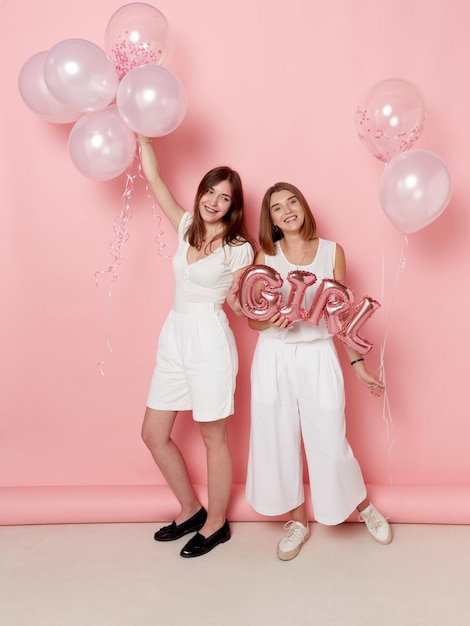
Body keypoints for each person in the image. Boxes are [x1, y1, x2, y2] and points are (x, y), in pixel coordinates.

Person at [244, 182, 392, 561]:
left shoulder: (332, 251)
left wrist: (358, 364)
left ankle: (361, 505)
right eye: (277, 208)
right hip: (274, 355)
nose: (287, 210)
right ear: (272, 220)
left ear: (304, 207)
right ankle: (296, 521)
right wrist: (270, 322)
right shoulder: (266, 256)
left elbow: (339, 315)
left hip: (318, 353)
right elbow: (254, 323)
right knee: (276, 435)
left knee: (329, 433)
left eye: (292, 202)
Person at [138, 135, 255, 558]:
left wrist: (267, 314)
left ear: (233, 206)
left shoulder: (239, 249)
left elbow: (242, 304)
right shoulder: (187, 225)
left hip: (210, 339)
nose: (214, 201)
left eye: (224, 198)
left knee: (213, 436)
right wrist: (143, 135)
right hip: (174, 335)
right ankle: (190, 508)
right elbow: (154, 179)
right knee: (153, 433)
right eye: (210, 191)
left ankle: (217, 522)